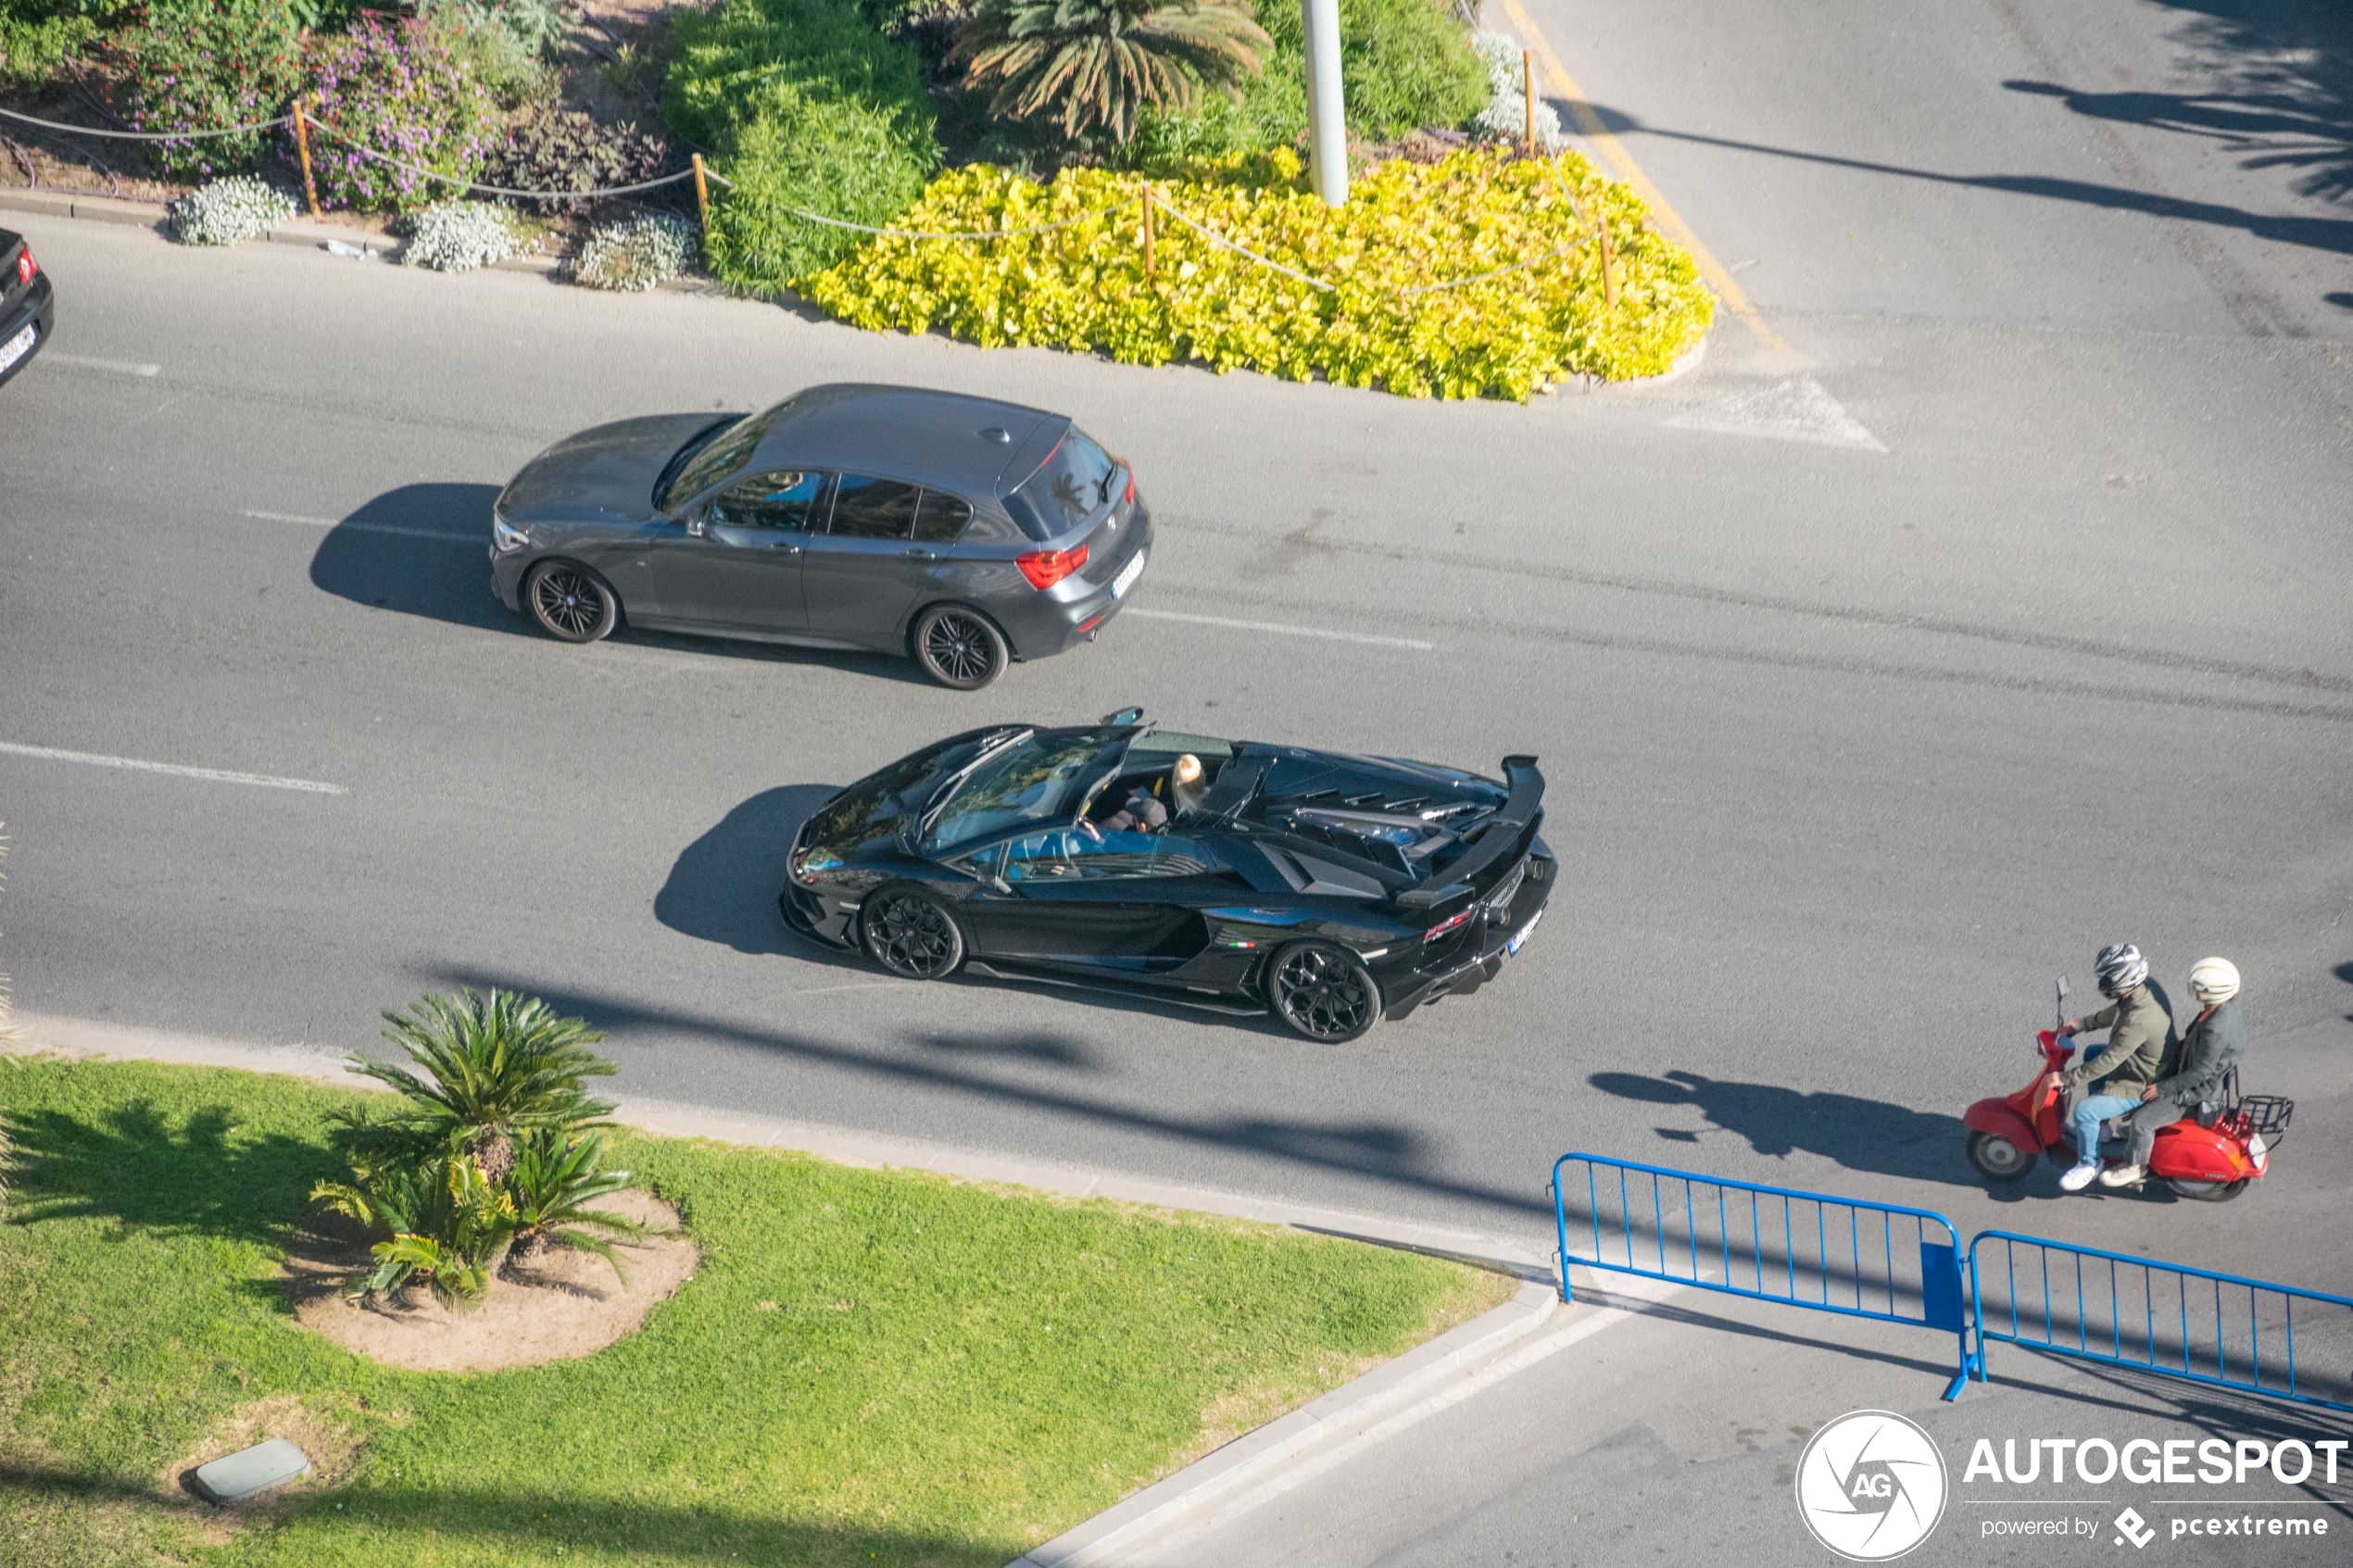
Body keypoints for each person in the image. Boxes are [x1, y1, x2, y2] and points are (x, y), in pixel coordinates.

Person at [2104, 957, 2245, 1187]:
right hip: (2189, 1073)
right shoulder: (2223, 1010)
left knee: (2142, 1122)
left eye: (2198, 989)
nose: (2193, 992)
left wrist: (2162, 1088)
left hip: (2195, 1093)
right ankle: (2139, 1141)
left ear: (2211, 992)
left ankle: (2134, 1167)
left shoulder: (2215, 1028)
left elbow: (2200, 1073)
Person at [2048, 943, 2176, 1192]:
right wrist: (2083, 1024)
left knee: (2085, 1111)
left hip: (2142, 1082)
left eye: (2107, 979)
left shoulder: (2139, 1020)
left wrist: (2066, 1078)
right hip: (2149, 1063)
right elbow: (2120, 1010)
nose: (2102, 985)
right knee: (2092, 1052)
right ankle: (2102, 1129)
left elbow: (2111, 1060)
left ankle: (2090, 1163)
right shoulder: (2145, 989)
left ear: (2121, 980)